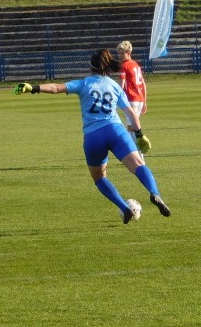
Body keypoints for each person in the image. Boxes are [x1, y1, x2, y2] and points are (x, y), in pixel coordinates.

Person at [14, 49, 171, 224]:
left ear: (91, 67)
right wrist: (140, 135)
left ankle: (123, 207)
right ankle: (154, 192)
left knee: (100, 178)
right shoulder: (114, 85)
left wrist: (33, 87)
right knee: (138, 165)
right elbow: (131, 113)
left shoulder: (84, 84)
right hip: (115, 130)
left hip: (93, 136)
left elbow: (56, 88)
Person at [116, 40, 148, 148]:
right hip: (138, 99)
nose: (120, 56)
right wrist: (144, 102)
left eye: (122, 53)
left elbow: (121, 86)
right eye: (119, 53)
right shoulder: (135, 65)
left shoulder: (124, 66)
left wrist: (115, 100)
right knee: (134, 127)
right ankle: (136, 155)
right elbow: (143, 84)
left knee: (132, 128)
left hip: (131, 100)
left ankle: (137, 156)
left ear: (128, 53)